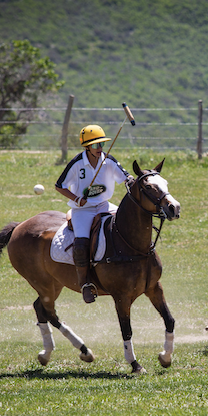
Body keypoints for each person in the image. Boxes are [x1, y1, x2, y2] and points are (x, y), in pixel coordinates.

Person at [55, 124, 134, 303]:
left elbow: (126, 177)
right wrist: (77, 199)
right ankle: (84, 283)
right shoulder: (76, 163)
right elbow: (60, 186)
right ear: (87, 147)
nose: (100, 149)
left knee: (124, 227)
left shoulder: (108, 160)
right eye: (96, 145)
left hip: (104, 205)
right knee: (82, 242)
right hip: (83, 210)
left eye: (102, 144)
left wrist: (130, 180)